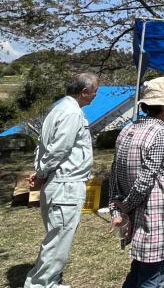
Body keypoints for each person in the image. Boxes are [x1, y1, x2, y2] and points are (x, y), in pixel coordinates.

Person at [109, 76, 164, 288]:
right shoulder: (160, 132)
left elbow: (114, 172)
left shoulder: (128, 129)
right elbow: (146, 179)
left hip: (137, 215)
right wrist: (126, 205)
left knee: (138, 270)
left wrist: (119, 207)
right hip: (155, 215)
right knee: (153, 278)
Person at [24, 73, 98, 288]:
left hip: (60, 182)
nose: (95, 96)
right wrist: (41, 174)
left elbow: (44, 145)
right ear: (84, 92)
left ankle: (50, 281)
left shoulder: (58, 108)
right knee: (58, 240)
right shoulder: (72, 112)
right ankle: (39, 284)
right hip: (66, 184)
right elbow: (59, 148)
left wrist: (40, 171)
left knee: (58, 236)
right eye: (94, 92)